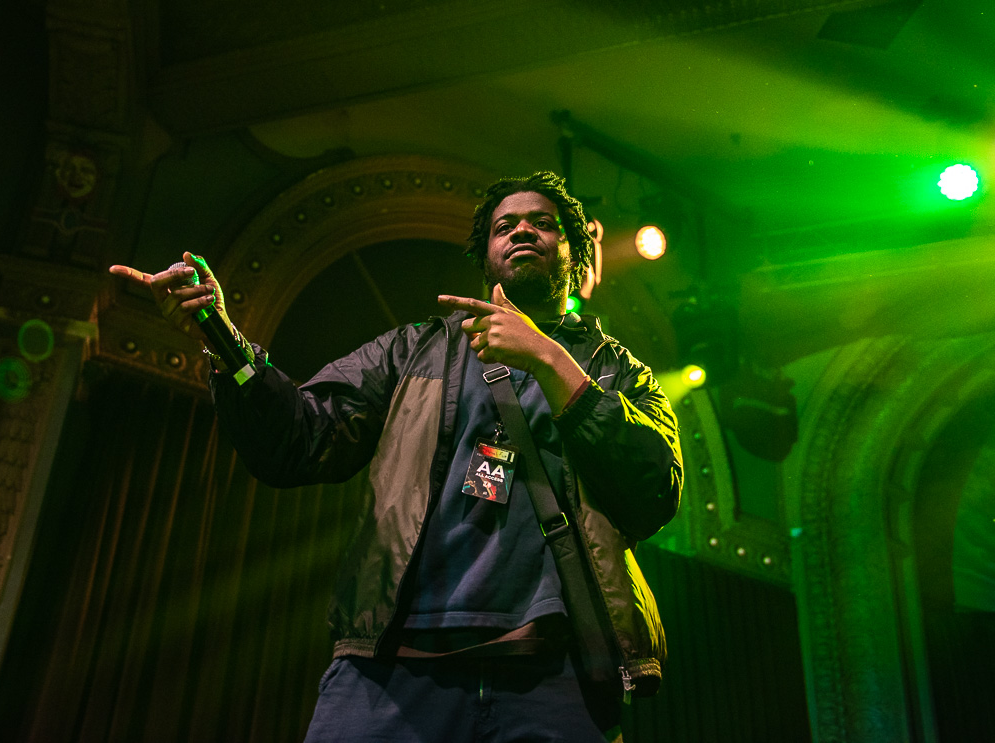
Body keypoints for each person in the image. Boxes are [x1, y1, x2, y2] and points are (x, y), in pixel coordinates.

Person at [110, 171, 683, 742]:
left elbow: (655, 487)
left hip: (553, 677)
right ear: (484, 255)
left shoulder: (615, 371)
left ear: (577, 251)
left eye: (543, 223)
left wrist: (552, 360)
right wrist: (222, 337)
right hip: (392, 668)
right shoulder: (414, 350)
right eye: (504, 226)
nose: (522, 232)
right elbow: (300, 440)